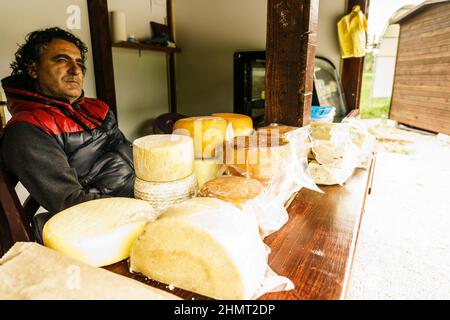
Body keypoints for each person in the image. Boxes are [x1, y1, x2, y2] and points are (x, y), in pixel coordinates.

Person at [0, 27, 135, 238]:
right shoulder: (27, 130)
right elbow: (71, 206)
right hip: (107, 224)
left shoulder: (95, 108)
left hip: (139, 197)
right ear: (33, 69)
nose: (76, 70)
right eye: (62, 60)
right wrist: (144, 207)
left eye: (79, 63)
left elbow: (129, 153)